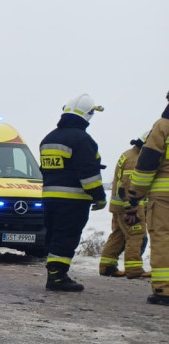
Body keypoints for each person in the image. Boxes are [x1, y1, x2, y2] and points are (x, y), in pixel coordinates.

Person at [38, 94, 106, 292]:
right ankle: (57, 277)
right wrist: (99, 197)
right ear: (87, 115)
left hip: (50, 198)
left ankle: (55, 274)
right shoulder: (82, 139)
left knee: (55, 235)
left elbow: (45, 170)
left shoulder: (48, 138)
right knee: (66, 236)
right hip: (73, 200)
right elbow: (88, 173)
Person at [125, 91, 169, 305]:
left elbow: (147, 164)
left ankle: (164, 289)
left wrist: (135, 196)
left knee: (163, 238)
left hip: (164, 197)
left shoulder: (163, 126)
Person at [99, 134, 151, 278]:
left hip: (120, 206)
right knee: (136, 235)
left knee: (119, 235)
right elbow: (128, 186)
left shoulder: (128, 154)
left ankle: (107, 266)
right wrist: (131, 209)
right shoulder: (135, 160)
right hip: (130, 207)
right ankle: (134, 270)